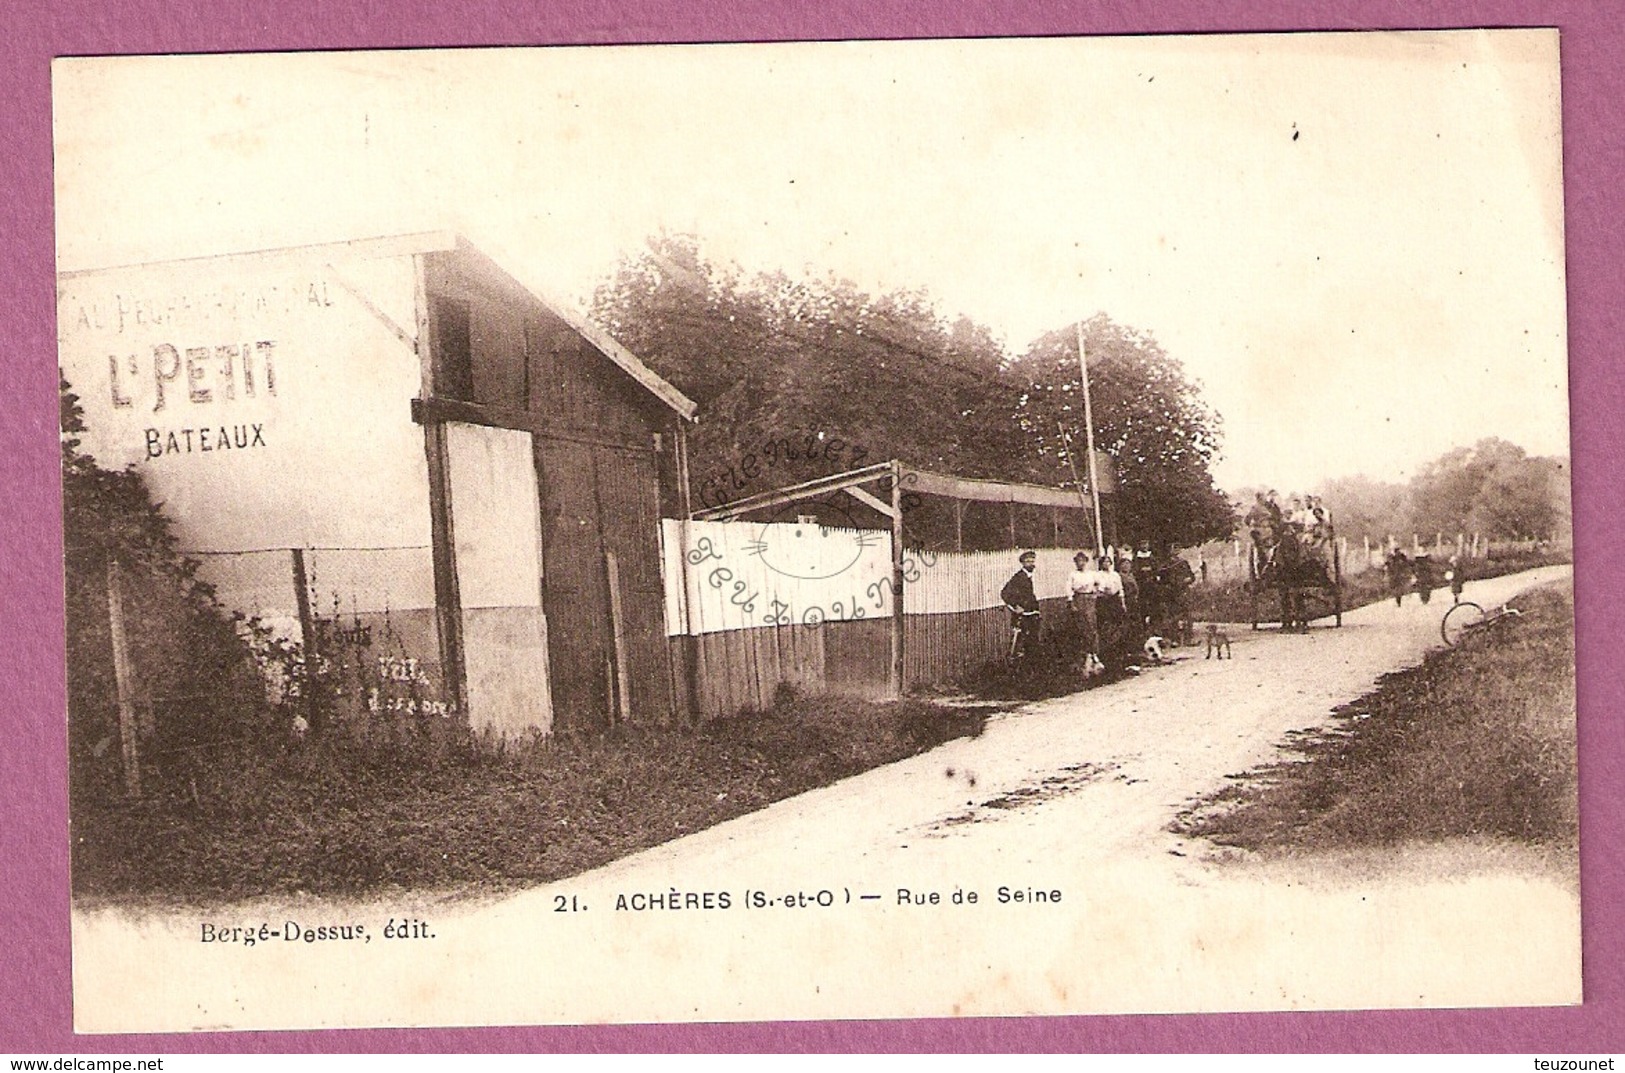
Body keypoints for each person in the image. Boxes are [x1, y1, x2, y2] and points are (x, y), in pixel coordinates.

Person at [1067, 551, 1107, 677]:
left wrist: (1096, 593)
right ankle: (1084, 656)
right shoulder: (1073, 574)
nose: (1081, 563)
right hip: (1079, 599)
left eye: (1083, 560)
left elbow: (1101, 583)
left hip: (1090, 599)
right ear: (1075, 562)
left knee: (1091, 626)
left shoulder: (1091, 574)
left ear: (1086, 561)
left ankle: (1094, 654)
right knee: (1081, 627)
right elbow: (1069, 589)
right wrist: (1071, 603)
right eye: (1078, 561)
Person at [1001, 551, 1042, 663]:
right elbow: (1005, 593)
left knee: (1032, 641)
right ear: (1022, 563)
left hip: (1032, 613)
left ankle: (1031, 666)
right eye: (1028, 561)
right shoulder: (1018, 577)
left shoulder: (1028, 577)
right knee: (1021, 642)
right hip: (1023, 616)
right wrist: (1016, 606)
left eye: (1032, 561)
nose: (1031, 564)